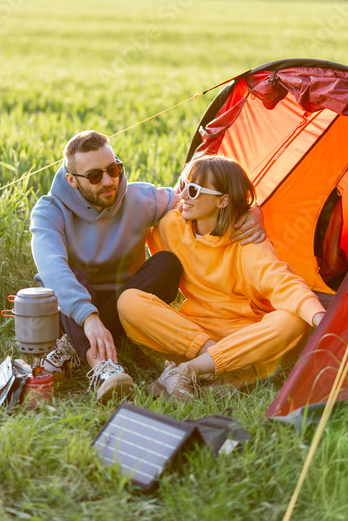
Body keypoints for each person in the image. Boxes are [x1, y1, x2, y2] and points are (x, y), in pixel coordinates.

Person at [29, 130, 266, 402]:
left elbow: (197, 203)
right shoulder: (49, 210)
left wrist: (251, 210)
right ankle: (103, 368)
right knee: (70, 275)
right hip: (73, 305)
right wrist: (88, 317)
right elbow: (52, 268)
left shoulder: (142, 197)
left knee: (167, 263)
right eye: (95, 176)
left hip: (124, 298)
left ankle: (73, 348)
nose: (109, 181)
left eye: (114, 169)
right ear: (72, 180)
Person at [117, 154, 326, 401]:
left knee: (292, 322)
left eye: (193, 190)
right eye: (182, 184)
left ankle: (188, 370)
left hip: (241, 332)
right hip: (193, 331)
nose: (182, 195)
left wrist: (324, 320)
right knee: (128, 301)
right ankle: (223, 368)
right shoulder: (169, 227)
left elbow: (283, 282)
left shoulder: (247, 241)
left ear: (222, 201)